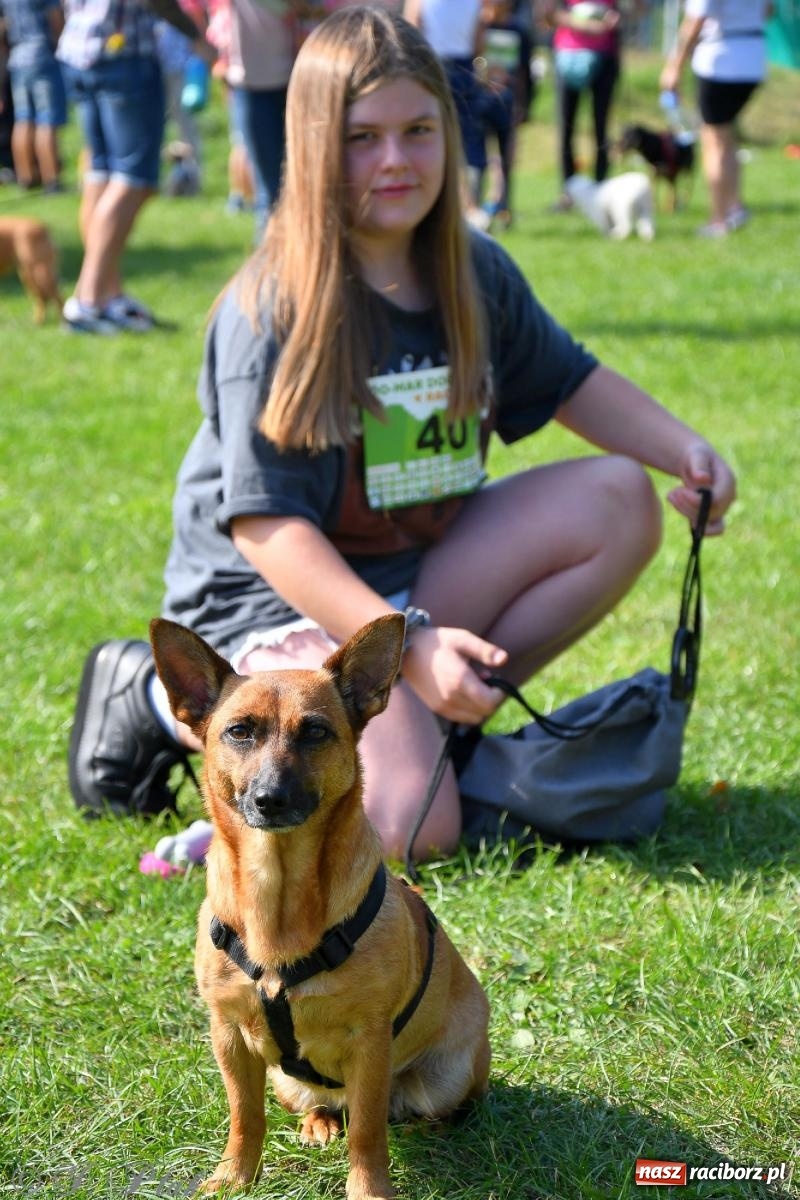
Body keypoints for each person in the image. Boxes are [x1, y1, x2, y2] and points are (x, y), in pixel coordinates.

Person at [68, 6, 736, 863]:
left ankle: (423, 725)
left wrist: (685, 451)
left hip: (404, 585)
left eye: (419, 130)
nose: (395, 160)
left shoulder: (473, 270)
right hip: (273, 603)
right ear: (311, 147)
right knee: (424, 829)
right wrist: (410, 646)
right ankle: (163, 707)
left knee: (617, 498)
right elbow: (267, 528)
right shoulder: (271, 307)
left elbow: (569, 380)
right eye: (361, 138)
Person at [57, 0, 216, 333]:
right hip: (124, 57)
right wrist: (196, 36)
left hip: (78, 52)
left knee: (101, 175)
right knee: (134, 181)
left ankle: (108, 294)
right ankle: (88, 299)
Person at [660, 0, 770, 238]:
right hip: (754, 58)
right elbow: (768, 11)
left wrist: (674, 66)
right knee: (727, 135)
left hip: (720, 59)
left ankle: (719, 219)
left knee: (713, 140)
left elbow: (695, 20)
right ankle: (735, 206)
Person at [537, 0, 637, 211]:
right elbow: (548, 14)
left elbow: (637, 9)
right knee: (566, 128)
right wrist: (586, 25)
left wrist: (620, 16)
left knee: (601, 129)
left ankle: (602, 193)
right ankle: (569, 193)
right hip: (568, 56)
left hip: (605, 59)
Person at [0, 0, 67, 191]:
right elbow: (56, 20)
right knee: (47, 121)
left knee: (23, 119)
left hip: (17, 58)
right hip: (42, 55)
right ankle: (52, 180)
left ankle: (25, 177)